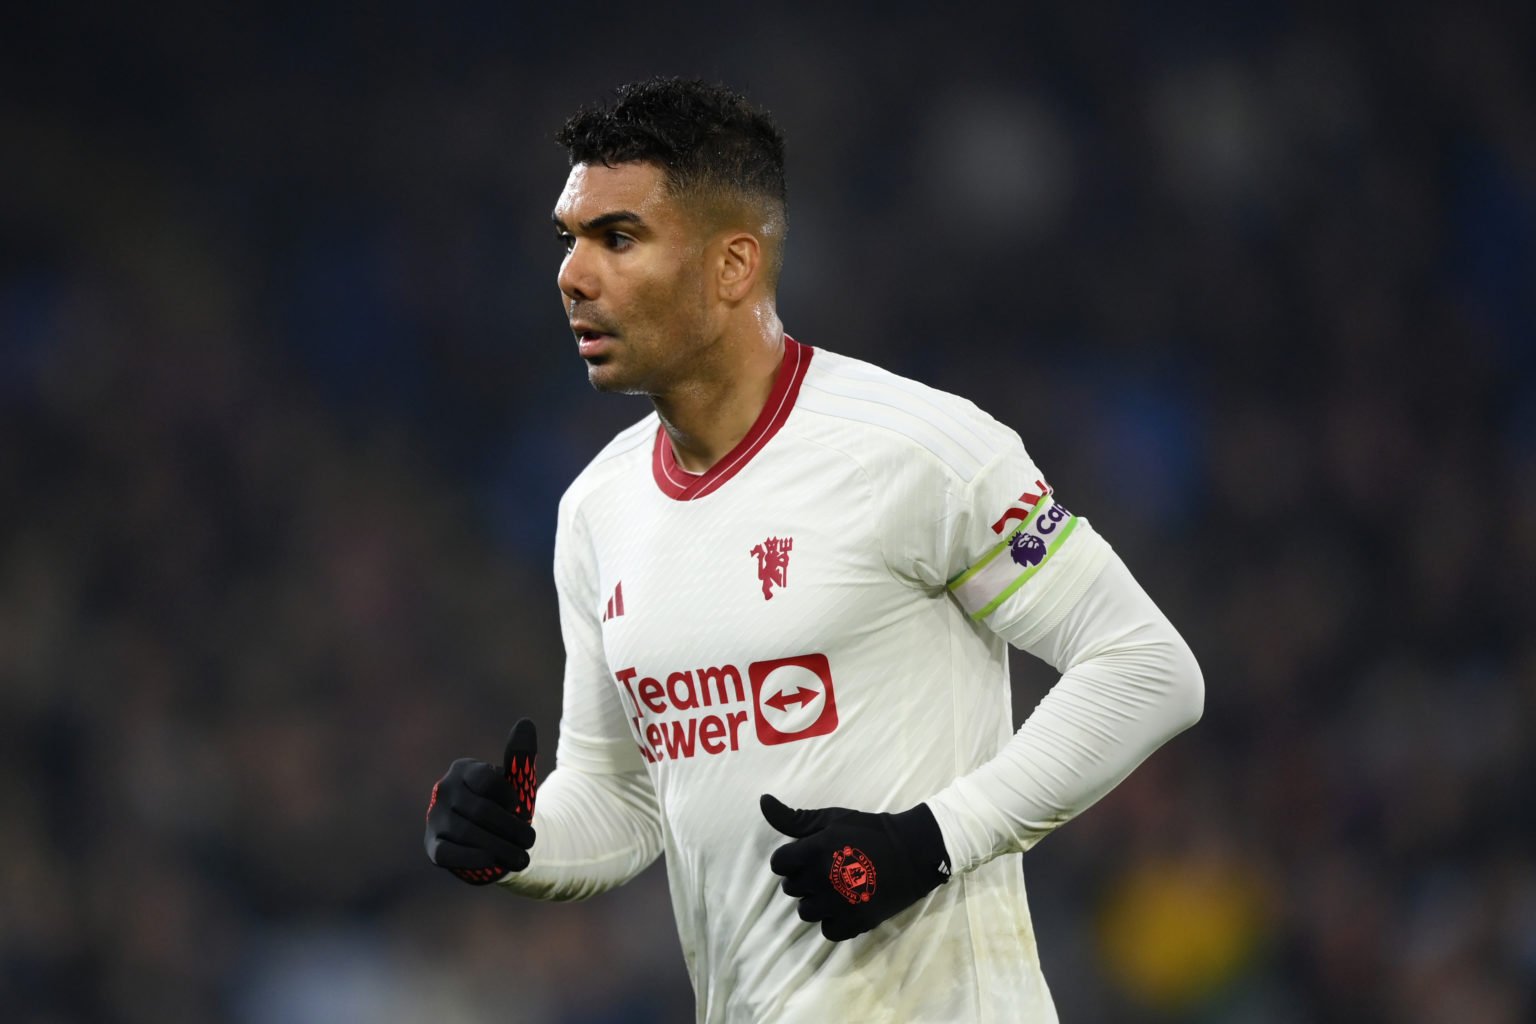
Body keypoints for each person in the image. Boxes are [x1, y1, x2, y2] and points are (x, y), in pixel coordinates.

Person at [424, 77, 1204, 1022]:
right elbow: (624, 803)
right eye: (569, 240)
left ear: (733, 265)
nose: (573, 275)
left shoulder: (917, 450)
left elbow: (1147, 666)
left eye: (617, 238)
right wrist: (514, 842)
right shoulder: (598, 509)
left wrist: (929, 840)